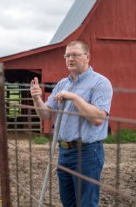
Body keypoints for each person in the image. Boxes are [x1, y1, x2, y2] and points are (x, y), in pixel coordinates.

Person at [30, 41, 113, 207]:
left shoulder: (100, 83)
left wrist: (74, 97)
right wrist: (36, 98)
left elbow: (98, 119)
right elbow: (45, 113)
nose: (70, 58)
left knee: (86, 203)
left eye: (75, 54)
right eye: (67, 55)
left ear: (87, 57)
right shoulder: (63, 84)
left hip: (87, 152)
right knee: (68, 202)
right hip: (65, 151)